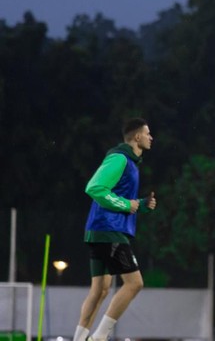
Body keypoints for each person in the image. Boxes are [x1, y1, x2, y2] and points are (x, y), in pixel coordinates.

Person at [72, 118, 156, 341]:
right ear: (137, 137)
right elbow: (95, 188)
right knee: (135, 283)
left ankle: (79, 339)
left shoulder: (129, 163)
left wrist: (140, 205)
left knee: (100, 288)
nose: (151, 137)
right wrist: (129, 204)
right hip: (109, 230)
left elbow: (117, 197)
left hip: (100, 229)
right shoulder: (119, 158)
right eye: (147, 133)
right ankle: (100, 337)